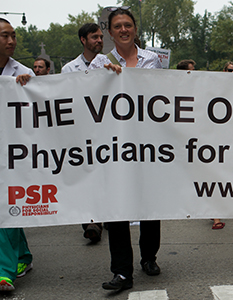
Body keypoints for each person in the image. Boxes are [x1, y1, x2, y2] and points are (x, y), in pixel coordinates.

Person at [88, 7, 162, 291]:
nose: (123, 30)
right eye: (117, 26)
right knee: (116, 207)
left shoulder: (151, 60)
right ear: (109, 32)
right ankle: (121, 272)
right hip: (114, 147)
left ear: (134, 29)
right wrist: (104, 79)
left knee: (150, 203)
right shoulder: (98, 64)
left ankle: (149, 256)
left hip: (148, 145)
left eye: (128, 25)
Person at [61, 23, 105, 243]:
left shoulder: (111, 64)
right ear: (83, 40)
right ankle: (91, 222)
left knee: (103, 175)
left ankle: (100, 217)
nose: (99, 40)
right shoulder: (69, 69)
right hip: (80, 131)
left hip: (106, 131)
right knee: (85, 175)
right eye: (94, 37)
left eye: (100, 37)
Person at [0, 18, 34, 292]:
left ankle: (3, 272)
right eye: (4, 36)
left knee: (6, 206)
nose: (11, 41)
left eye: (13, 35)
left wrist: (27, 87)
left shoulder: (21, 71)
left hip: (14, 149)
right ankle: (22, 256)